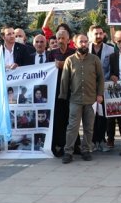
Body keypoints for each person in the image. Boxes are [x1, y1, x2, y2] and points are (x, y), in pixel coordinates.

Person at [60, 34, 104, 163]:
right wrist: (63, 95)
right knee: (72, 127)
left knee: (89, 127)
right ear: (75, 44)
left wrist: (100, 94)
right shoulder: (70, 60)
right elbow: (65, 79)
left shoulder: (95, 59)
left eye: (86, 41)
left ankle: (86, 150)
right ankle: (68, 152)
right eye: (81, 42)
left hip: (91, 99)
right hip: (75, 99)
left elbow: (100, 78)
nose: (84, 44)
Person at [86, 25, 115, 152]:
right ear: (90, 35)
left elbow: (113, 68)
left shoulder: (110, 49)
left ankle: (101, 140)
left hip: (104, 87)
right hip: (88, 87)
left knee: (103, 115)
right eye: (96, 33)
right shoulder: (85, 48)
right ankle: (91, 141)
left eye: (100, 33)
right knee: (90, 115)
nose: (98, 36)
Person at [48, 29, 77, 156]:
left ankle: (74, 146)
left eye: (63, 38)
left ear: (68, 40)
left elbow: (78, 67)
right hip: (56, 91)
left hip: (72, 90)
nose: (60, 41)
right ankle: (58, 145)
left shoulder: (74, 53)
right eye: (58, 38)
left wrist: (63, 64)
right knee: (58, 119)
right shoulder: (52, 53)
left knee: (72, 119)